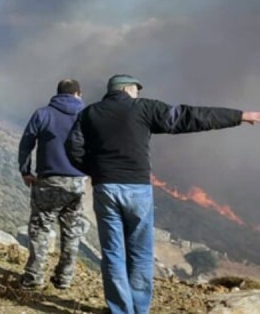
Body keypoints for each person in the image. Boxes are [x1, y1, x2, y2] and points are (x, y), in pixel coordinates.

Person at [65, 74, 260, 314]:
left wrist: (96, 170)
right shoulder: (143, 108)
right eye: (136, 90)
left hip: (105, 188)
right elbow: (188, 117)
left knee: (113, 252)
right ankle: (139, 309)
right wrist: (240, 116)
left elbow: (72, 147)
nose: (138, 93)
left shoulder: (90, 113)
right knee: (140, 252)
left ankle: (120, 311)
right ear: (127, 89)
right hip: (137, 189)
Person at [18, 79, 87, 290]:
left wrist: (25, 171)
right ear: (78, 94)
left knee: (40, 230)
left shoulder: (43, 114)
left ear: (58, 93)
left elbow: (26, 144)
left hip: (48, 181)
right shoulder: (87, 116)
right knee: (71, 231)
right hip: (76, 183)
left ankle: (33, 279)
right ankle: (64, 278)